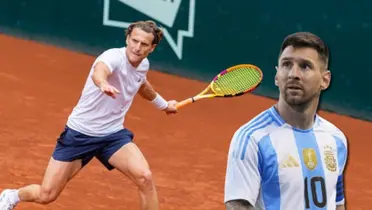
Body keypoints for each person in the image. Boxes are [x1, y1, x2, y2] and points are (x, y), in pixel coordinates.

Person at [0, 20, 178, 210]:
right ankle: (12, 196)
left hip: (112, 135)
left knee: (145, 177)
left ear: (152, 47)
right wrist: (102, 83)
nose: (137, 47)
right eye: (134, 40)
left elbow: (141, 84)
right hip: (80, 134)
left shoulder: (143, 65)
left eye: (144, 44)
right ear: (127, 38)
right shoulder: (113, 57)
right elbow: (99, 71)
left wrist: (164, 104)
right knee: (47, 195)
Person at [224, 32, 348, 210]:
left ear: (325, 80)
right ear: (276, 76)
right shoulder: (252, 138)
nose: (293, 74)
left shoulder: (336, 140)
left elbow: (337, 203)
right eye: (286, 65)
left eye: (305, 66)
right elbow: (237, 205)